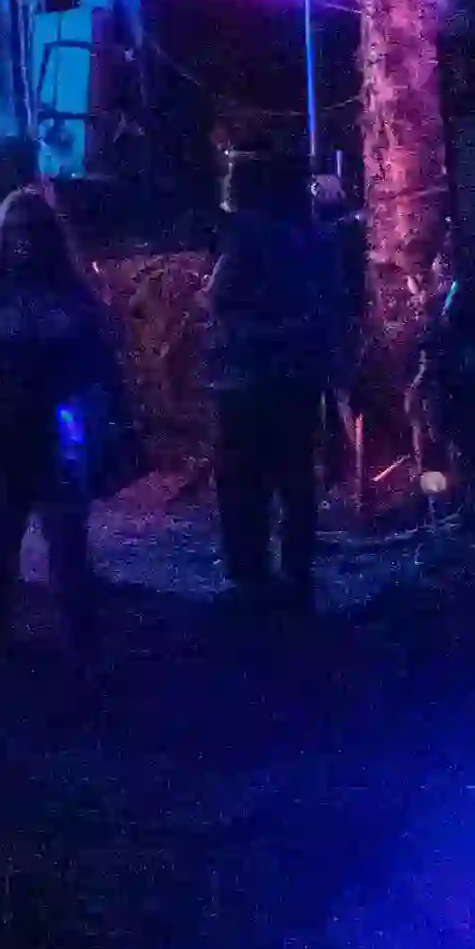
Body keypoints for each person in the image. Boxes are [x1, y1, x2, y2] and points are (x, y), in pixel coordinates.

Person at [0, 186, 124, 655]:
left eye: (34, 230)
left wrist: (109, 428)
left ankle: (82, 641)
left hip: (55, 434)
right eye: (15, 230)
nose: (25, 240)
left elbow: (100, 360)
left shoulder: (70, 290)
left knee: (68, 544)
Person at [205, 152, 343, 610]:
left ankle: (251, 576)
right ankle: (296, 571)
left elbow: (221, 302)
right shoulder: (314, 236)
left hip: (246, 377)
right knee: (295, 475)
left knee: (244, 481)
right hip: (296, 375)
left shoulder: (248, 235)